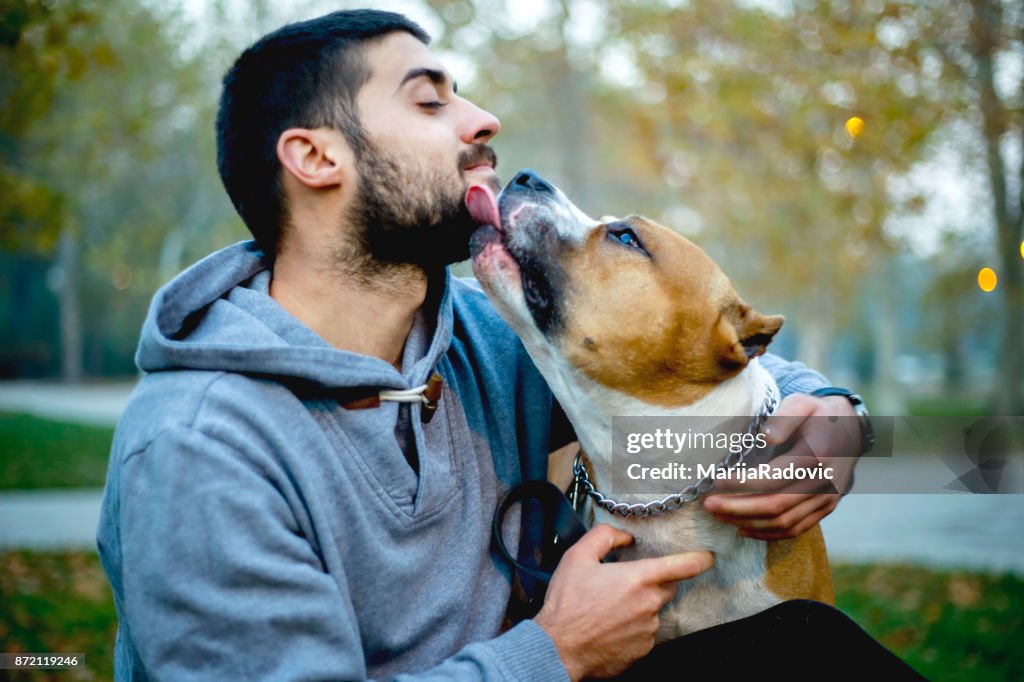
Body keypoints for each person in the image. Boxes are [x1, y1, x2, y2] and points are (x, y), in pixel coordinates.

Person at [96, 9, 921, 681]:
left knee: (804, 641)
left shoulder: (486, 338)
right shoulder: (197, 450)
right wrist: (552, 654)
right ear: (315, 157)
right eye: (429, 103)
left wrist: (835, 418)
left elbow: (704, 360)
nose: (483, 119)